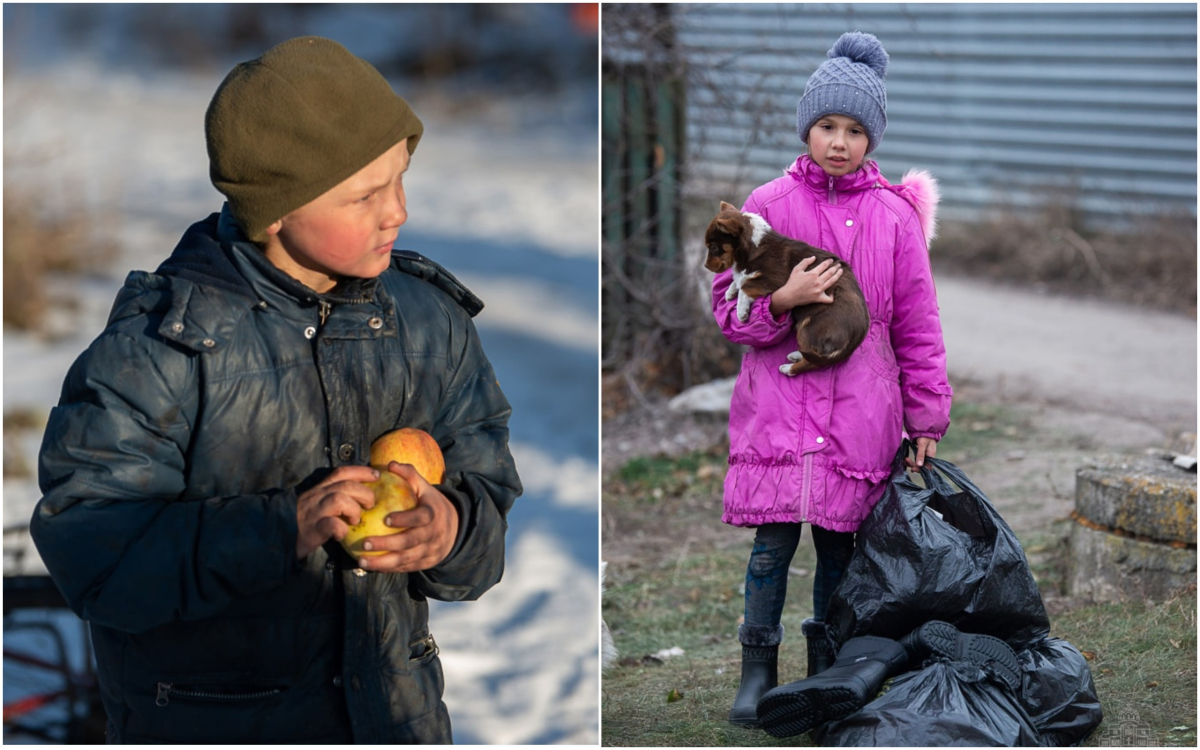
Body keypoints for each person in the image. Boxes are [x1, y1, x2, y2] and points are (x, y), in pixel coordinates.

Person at [30, 36, 522, 744]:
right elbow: (95, 555)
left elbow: (488, 487)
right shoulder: (163, 348)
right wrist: (276, 529)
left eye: (400, 178)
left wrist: (453, 528)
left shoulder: (427, 322)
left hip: (394, 718)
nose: (398, 212)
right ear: (276, 211)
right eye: (365, 195)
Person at [711, 31, 952, 728]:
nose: (839, 141)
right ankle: (758, 671)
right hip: (778, 412)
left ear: (871, 138)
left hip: (860, 417)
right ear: (807, 129)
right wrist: (779, 305)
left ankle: (828, 672)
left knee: (840, 553)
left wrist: (925, 417)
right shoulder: (767, 206)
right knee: (771, 547)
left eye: (853, 130)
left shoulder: (895, 218)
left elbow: (918, 324)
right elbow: (729, 314)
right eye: (826, 126)